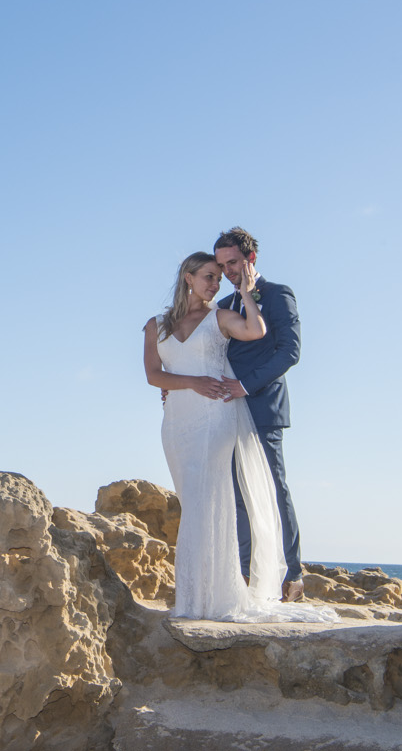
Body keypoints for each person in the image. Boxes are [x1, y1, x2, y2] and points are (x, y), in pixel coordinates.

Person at [143, 252, 334, 623]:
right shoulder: (156, 324)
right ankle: (197, 594)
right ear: (188, 277)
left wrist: (247, 293)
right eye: (209, 276)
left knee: (210, 501)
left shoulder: (223, 314)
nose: (216, 284)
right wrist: (187, 383)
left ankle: (217, 595)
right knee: (192, 502)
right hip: (177, 424)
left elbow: (258, 332)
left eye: (219, 277)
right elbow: (154, 374)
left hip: (216, 417)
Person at [212, 228, 305, 603]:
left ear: (250, 258)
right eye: (221, 266)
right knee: (237, 493)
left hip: (263, 406)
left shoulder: (279, 294)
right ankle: (249, 572)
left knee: (275, 489)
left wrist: (244, 386)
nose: (227, 271)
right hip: (226, 412)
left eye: (232, 263)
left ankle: (293, 575)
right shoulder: (221, 305)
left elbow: (289, 353)